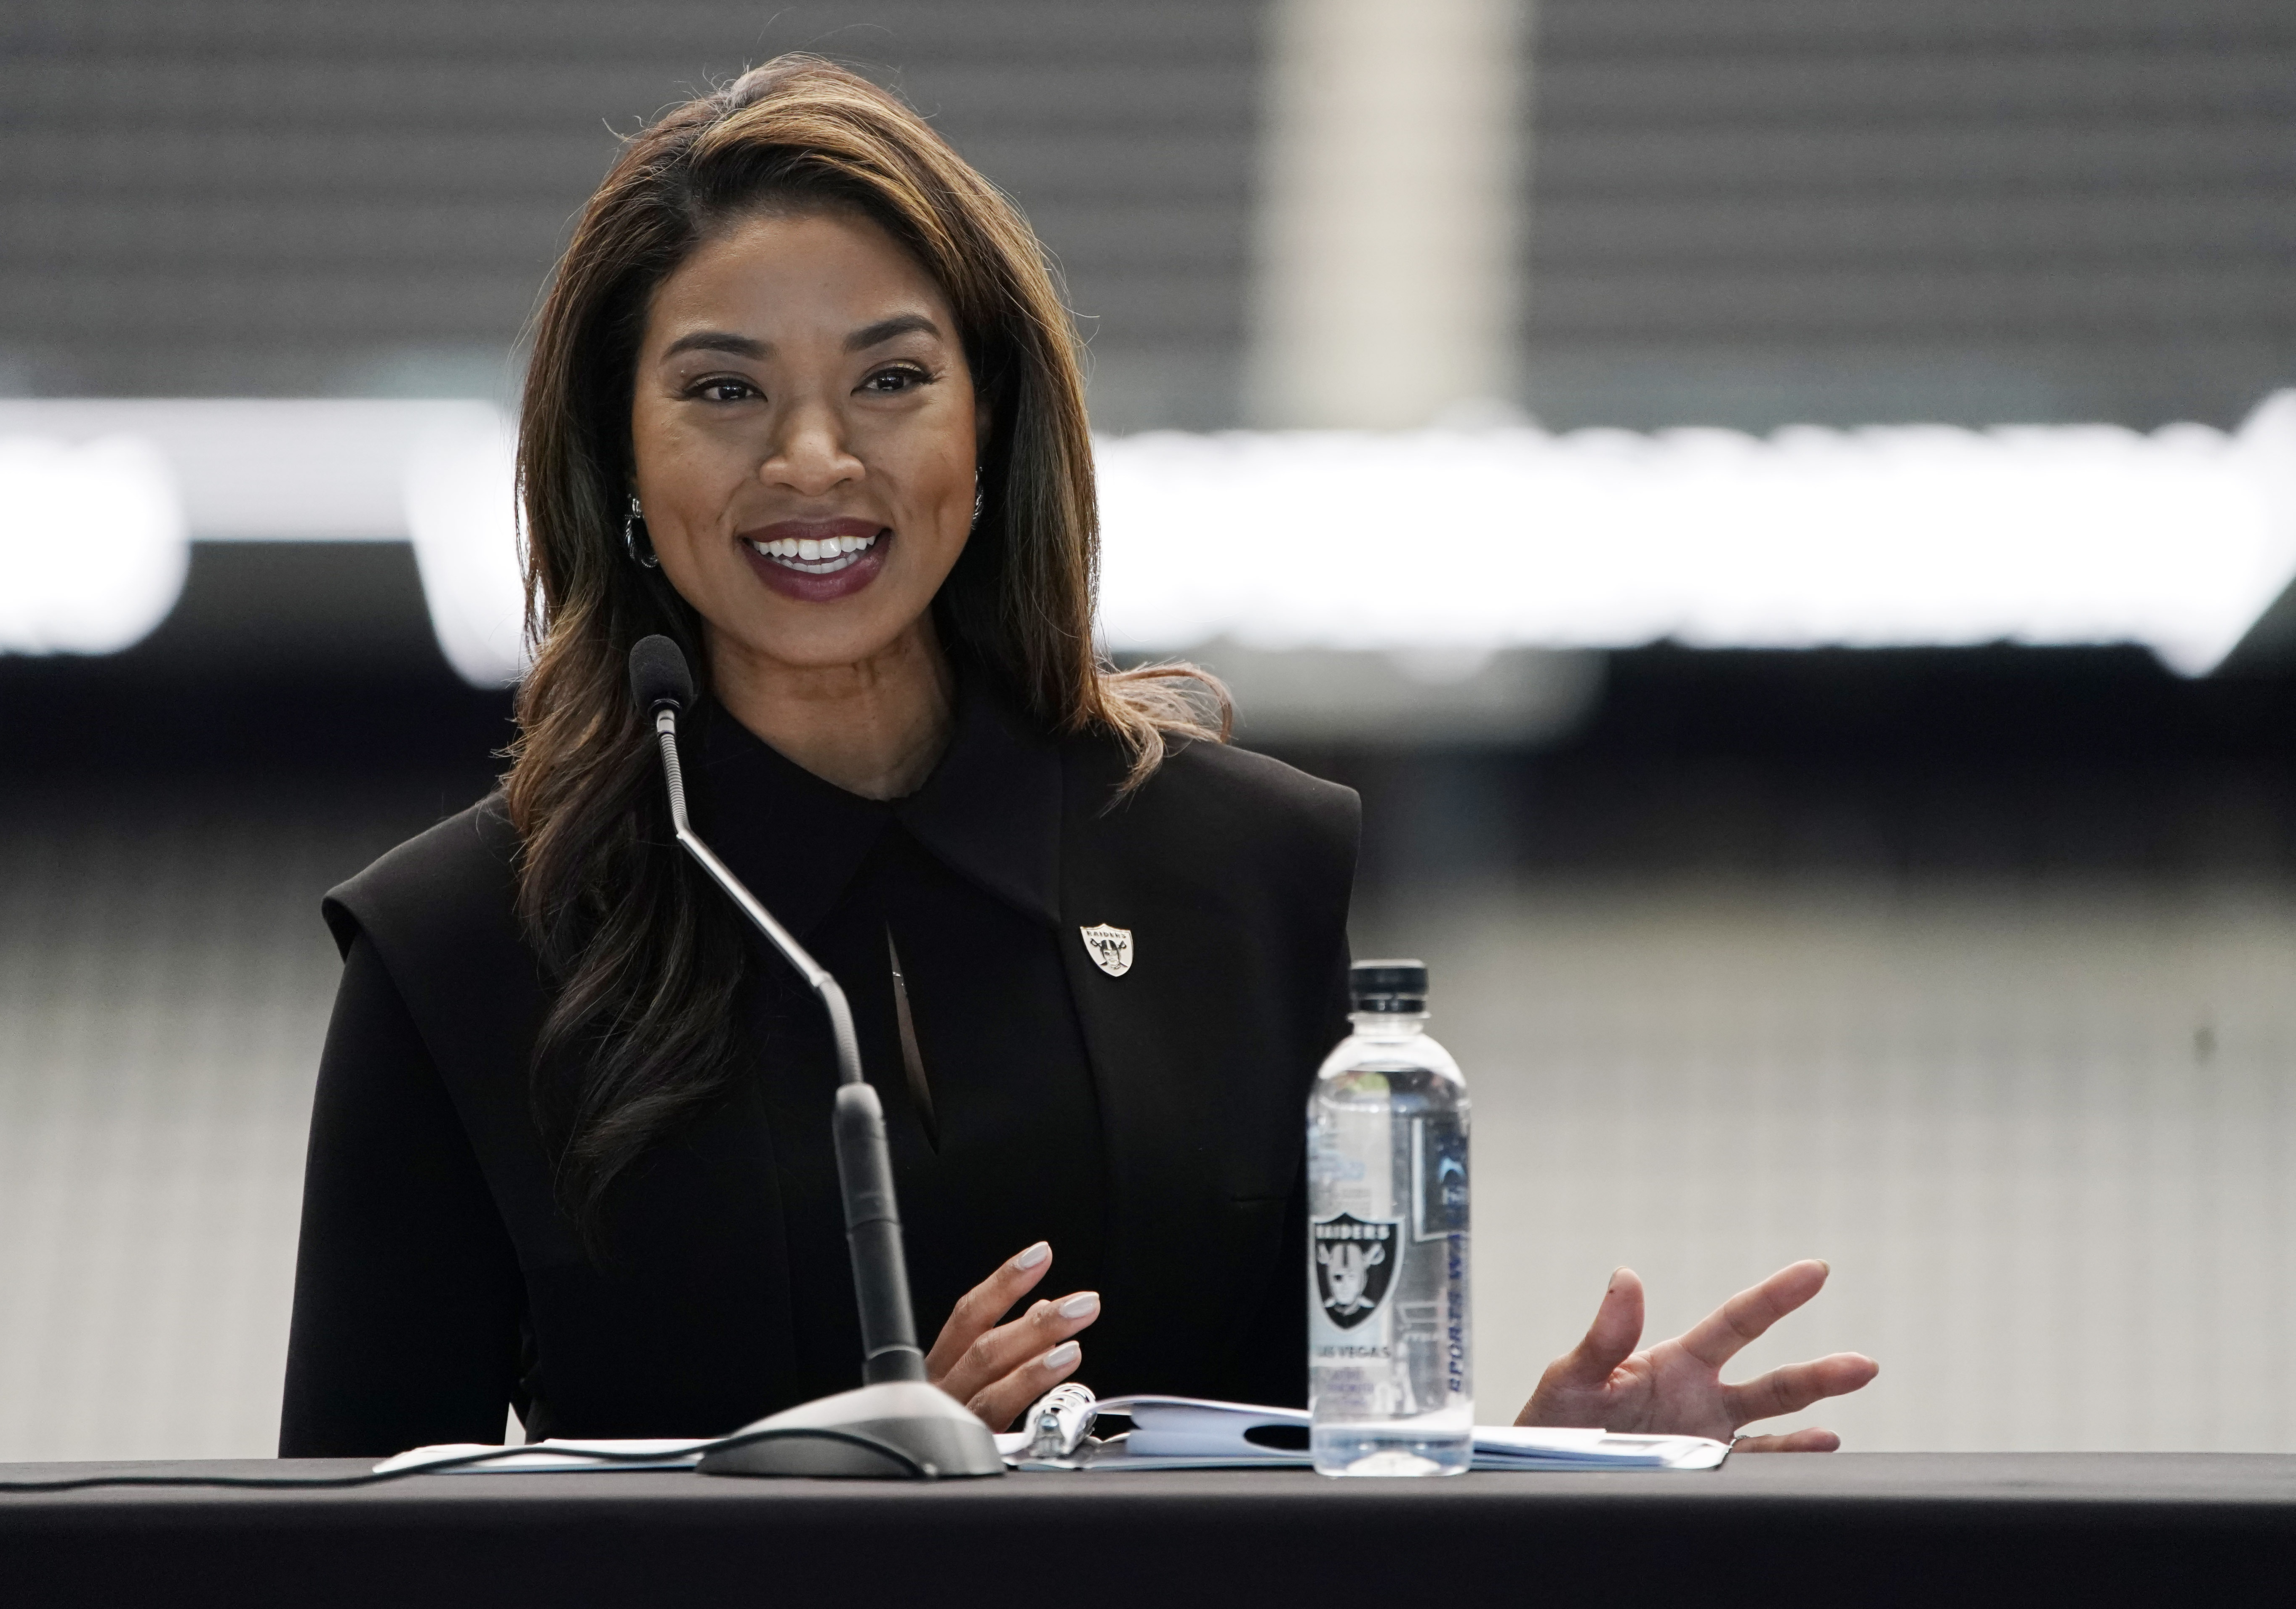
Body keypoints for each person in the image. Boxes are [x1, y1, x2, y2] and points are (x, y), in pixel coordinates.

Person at [279, 56, 1875, 1458]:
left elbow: (1319, 1478)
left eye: (893, 381)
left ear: (994, 432)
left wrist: (1536, 1474)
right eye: (722, 391)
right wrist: (863, 1476)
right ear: (618, 456)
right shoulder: (461, 950)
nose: (814, 460)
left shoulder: (1249, 868)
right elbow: (342, 1558)